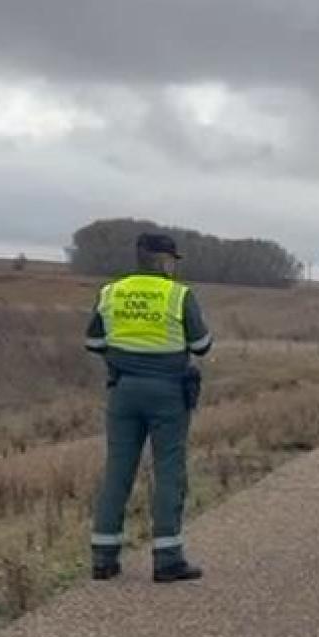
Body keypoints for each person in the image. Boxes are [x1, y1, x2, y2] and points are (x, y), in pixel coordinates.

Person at [84, 232, 213, 582]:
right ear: (164, 260)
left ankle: (104, 558)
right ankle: (167, 558)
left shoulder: (111, 292)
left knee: (117, 471)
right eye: (173, 259)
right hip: (168, 392)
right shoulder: (179, 295)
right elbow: (201, 345)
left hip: (123, 390)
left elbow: (93, 341)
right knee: (169, 470)